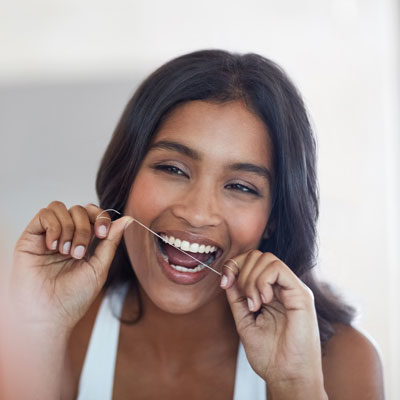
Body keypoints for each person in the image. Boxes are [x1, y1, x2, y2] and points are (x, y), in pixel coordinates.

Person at [7, 50, 384, 399]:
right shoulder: (63, 334)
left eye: (240, 186)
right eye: (172, 169)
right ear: (126, 181)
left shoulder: (340, 364)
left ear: (274, 218)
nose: (198, 214)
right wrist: (38, 332)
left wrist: (295, 386)